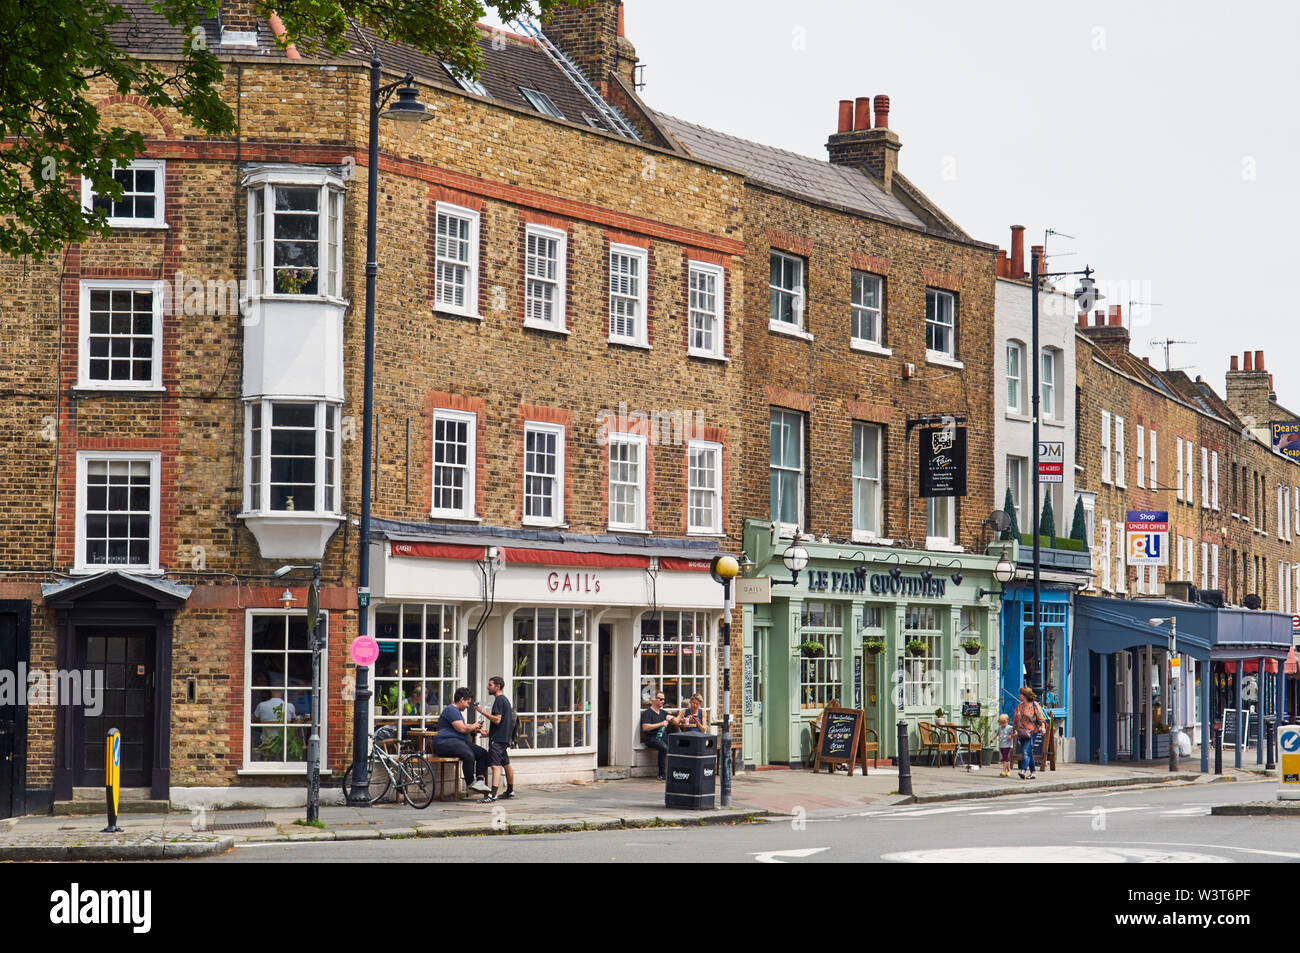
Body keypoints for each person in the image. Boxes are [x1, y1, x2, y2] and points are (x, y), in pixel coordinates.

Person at [432, 687, 491, 794]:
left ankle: (480, 781)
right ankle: (470, 784)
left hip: (458, 741)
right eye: (468, 703)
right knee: (468, 754)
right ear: (462, 700)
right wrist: (473, 726)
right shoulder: (450, 709)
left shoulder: (455, 711)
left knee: (483, 753)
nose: (468, 706)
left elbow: (463, 726)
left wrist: (476, 728)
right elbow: (462, 728)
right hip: (444, 742)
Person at [474, 676, 515, 803]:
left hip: (498, 740)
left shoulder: (499, 701)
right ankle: (510, 790)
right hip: (503, 738)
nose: (488, 687)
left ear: (497, 686)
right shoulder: (505, 701)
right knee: (506, 764)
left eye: (490, 685)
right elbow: (502, 723)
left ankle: (493, 794)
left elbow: (497, 719)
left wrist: (482, 712)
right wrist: (487, 733)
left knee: (495, 766)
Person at [640, 690, 679, 780]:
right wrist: (660, 724)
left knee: (677, 745)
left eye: (664, 699)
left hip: (662, 737)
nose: (663, 701)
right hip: (651, 738)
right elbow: (645, 727)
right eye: (661, 699)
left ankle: (676, 772)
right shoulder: (648, 713)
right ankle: (662, 774)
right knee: (664, 747)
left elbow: (672, 718)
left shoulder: (663, 713)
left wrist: (676, 719)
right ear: (654, 699)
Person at [1013, 686, 1046, 780]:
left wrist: (1043, 728)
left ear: (1025, 696)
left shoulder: (1034, 705)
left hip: (1032, 732)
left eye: (1021, 694)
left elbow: (1041, 718)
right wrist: (1013, 730)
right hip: (1021, 732)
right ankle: (1033, 772)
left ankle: (1023, 770)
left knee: (1025, 751)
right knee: (1029, 752)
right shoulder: (1019, 707)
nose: (1019, 695)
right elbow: (1015, 720)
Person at [995, 712, 1015, 777]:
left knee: (1005, 758)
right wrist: (992, 739)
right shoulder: (999, 728)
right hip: (1001, 745)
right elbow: (997, 734)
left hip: (1007, 745)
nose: (1003, 724)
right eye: (1001, 723)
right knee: (1006, 758)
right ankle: (1009, 771)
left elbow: (1015, 733)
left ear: (1008, 721)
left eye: (1004, 723)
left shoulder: (1010, 727)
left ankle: (1004, 771)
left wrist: (1011, 735)